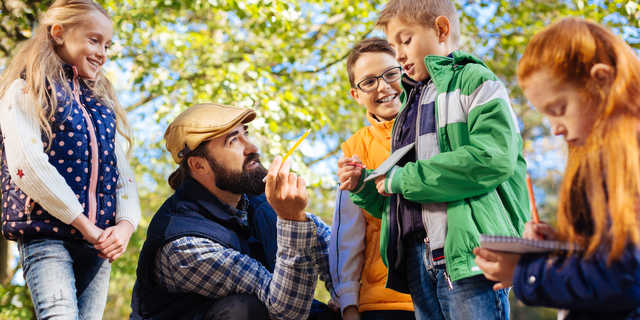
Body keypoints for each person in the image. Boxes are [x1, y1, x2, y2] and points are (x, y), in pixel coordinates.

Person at [338, 0, 530, 319]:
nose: (398, 54)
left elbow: (490, 159)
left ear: (441, 29)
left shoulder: (474, 81)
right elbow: (400, 201)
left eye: (405, 40)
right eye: (393, 45)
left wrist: (402, 178)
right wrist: (365, 186)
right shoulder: (411, 106)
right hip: (420, 264)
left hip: (470, 259)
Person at [474, 17, 640, 319]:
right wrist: (561, 247)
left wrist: (525, 274)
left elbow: (627, 278)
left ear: (601, 80)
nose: (555, 129)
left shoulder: (631, 157)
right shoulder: (599, 158)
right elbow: (612, 255)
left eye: (559, 109)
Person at [0, 0, 141, 319]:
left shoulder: (100, 106)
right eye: (94, 40)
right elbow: (29, 167)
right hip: (48, 233)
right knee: (59, 314)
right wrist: (85, 225)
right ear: (59, 32)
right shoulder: (27, 90)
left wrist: (125, 226)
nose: (102, 52)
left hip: (98, 243)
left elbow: (122, 172)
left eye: (107, 44)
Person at [130, 103, 336, 320]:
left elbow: (332, 249)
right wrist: (292, 220)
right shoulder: (184, 245)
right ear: (199, 165)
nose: (252, 147)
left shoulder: (259, 202)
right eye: (233, 141)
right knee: (244, 310)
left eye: (245, 134)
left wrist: (346, 301)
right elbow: (287, 311)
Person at [329, 37, 415, 320]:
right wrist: (349, 302)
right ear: (355, 94)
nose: (383, 86)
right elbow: (348, 233)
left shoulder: (436, 125)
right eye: (369, 81)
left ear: (405, 70)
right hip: (383, 303)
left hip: (446, 291)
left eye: (391, 74)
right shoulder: (355, 150)